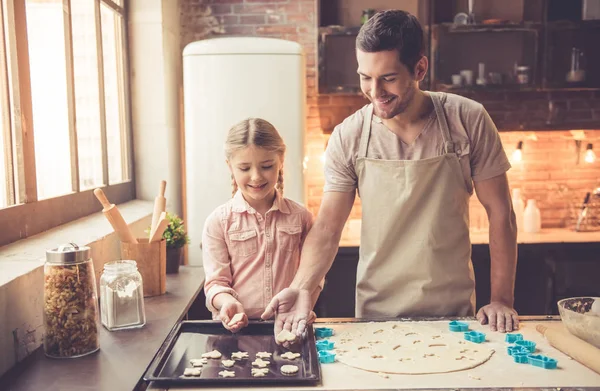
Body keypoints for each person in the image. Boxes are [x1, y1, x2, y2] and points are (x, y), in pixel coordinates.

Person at [261, 10, 519, 336]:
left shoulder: (468, 120)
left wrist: (501, 300)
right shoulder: (349, 135)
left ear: (420, 69)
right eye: (365, 77)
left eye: (388, 78)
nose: (374, 91)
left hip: (453, 313)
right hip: (375, 314)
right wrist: (301, 287)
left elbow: (501, 213)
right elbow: (327, 226)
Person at [202, 118, 321, 333]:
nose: (256, 177)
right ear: (230, 166)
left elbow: (315, 275)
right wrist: (226, 302)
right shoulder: (218, 222)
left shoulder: (302, 217)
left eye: (267, 166)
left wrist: (304, 305)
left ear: (281, 160)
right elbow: (215, 283)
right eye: (244, 168)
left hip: (291, 327)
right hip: (236, 331)